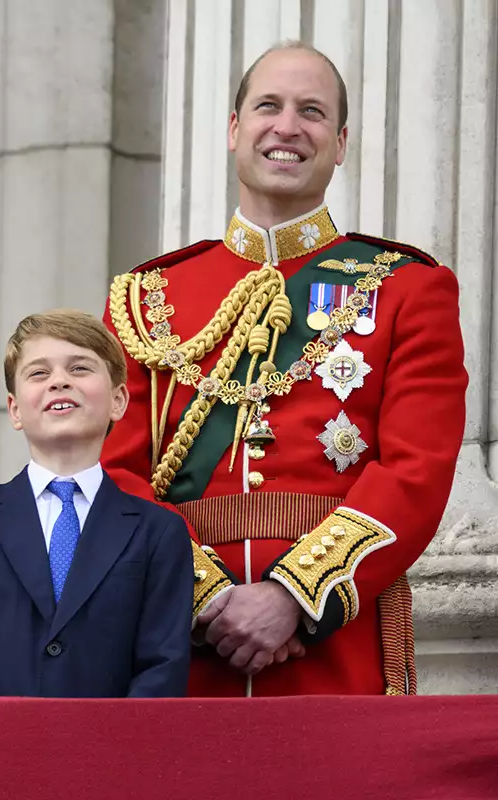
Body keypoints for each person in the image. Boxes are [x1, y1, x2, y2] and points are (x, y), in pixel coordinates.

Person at [101, 41, 467, 696]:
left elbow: (417, 473)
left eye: (313, 111)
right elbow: (112, 472)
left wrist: (294, 597)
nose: (288, 126)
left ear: (341, 141)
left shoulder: (409, 288)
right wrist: (203, 596)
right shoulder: (147, 296)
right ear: (236, 129)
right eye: (268, 105)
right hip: (179, 646)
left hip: (333, 645)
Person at [0, 310, 193, 698]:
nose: (59, 381)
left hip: (109, 751)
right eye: (38, 373)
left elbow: (163, 664)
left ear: (118, 400)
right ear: (15, 409)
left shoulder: (158, 531)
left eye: (80, 368)